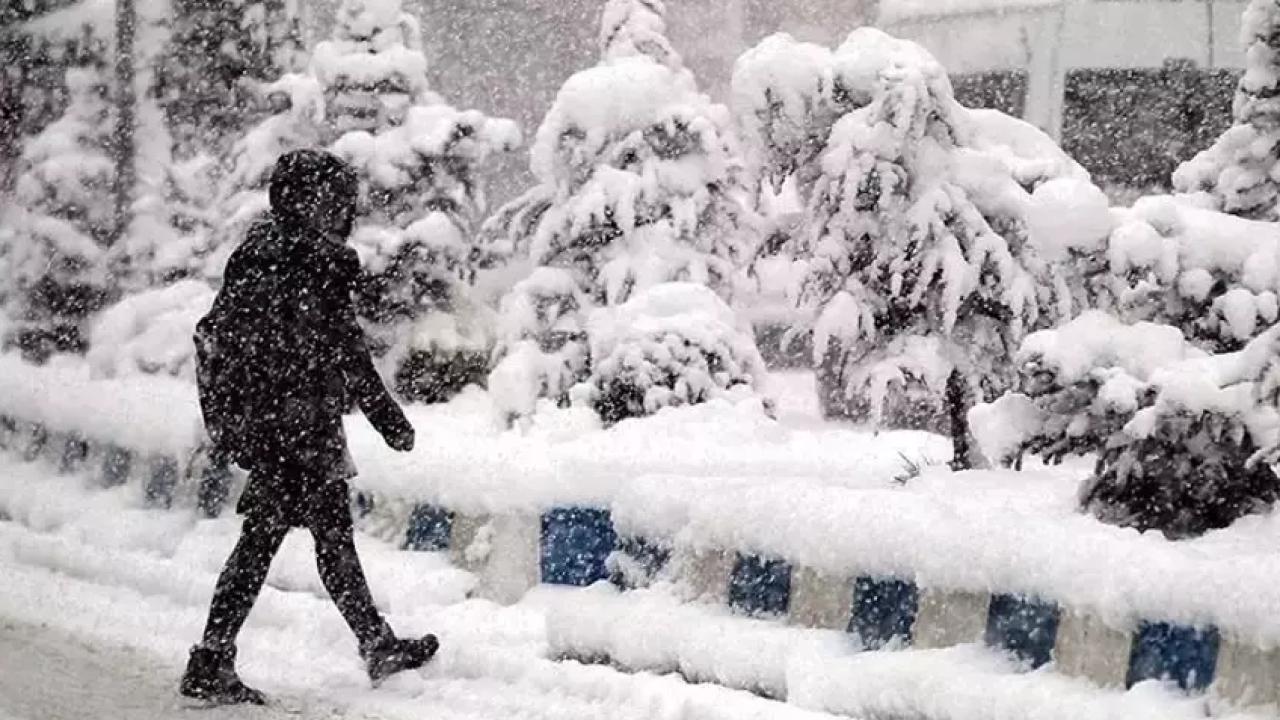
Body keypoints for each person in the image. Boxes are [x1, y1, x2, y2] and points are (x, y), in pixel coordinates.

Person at [181, 149, 438, 706]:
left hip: (273, 425)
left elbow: (233, 339)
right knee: (281, 542)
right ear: (307, 201)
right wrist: (389, 419)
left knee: (315, 537)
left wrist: (243, 420)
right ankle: (212, 658)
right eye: (333, 200)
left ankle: (372, 644)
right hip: (296, 429)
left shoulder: (257, 255)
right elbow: (348, 350)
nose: (341, 211)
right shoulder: (312, 263)